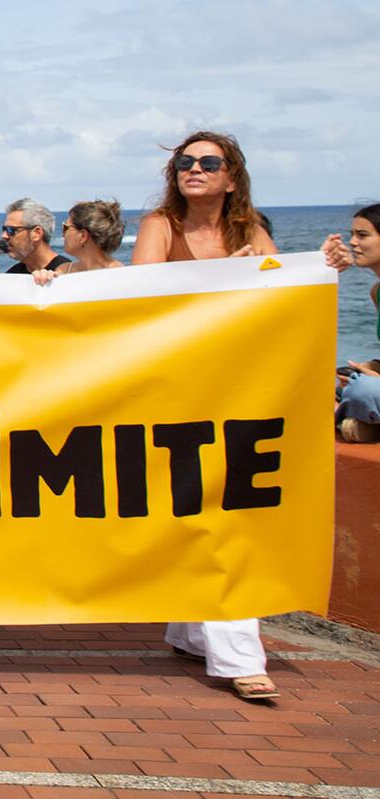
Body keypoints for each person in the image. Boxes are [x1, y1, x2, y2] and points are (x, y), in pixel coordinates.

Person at [128, 131, 279, 702]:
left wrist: (322, 268)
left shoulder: (251, 230)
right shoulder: (160, 226)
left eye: (208, 162)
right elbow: (141, 295)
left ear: (231, 176)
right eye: (184, 161)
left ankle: (213, 638)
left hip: (237, 392)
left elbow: (279, 301)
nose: (194, 168)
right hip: (177, 394)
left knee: (221, 509)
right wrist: (224, 278)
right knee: (202, 506)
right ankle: (217, 639)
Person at [325, 205, 380, 443]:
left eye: (362, 235)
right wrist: (373, 365)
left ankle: (349, 418)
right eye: (352, 235)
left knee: (364, 390)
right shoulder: (377, 292)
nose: (353, 242)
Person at [56, 199, 125, 274]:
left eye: (66, 227)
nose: (63, 235)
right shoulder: (63, 271)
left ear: (83, 236)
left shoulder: (120, 274)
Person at [2, 198, 70, 274]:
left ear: (37, 233)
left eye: (11, 230)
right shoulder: (13, 275)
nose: (4, 235)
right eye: (4, 229)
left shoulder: (66, 274)